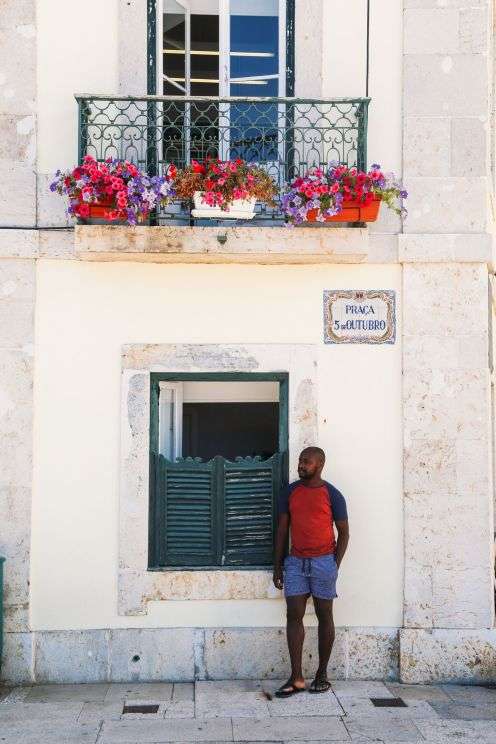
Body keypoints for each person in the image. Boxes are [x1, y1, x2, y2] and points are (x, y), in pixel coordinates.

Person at [273, 446, 349, 696]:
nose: (301, 465)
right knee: (293, 615)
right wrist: (278, 565)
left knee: (325, 615)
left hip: (323, 563)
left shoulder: (333, 495)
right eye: (300, 461)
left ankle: (322, 675)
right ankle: (296, 678)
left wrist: (333, 565)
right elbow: (283, 531)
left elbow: (344, 532)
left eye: (307, 462)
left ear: (320, 464)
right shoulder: (290, 492)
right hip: (295, 563)